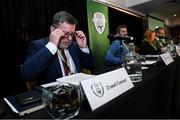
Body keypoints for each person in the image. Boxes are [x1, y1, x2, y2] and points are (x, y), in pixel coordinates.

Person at [21, 11, 93, 85]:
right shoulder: (38, 45)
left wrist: (83, 47)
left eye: (72, 34)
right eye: (65, 33)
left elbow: (90, 66)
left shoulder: (74, 45)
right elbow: (26, 75)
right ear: (53, 30)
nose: (70, 38)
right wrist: (51, 46)